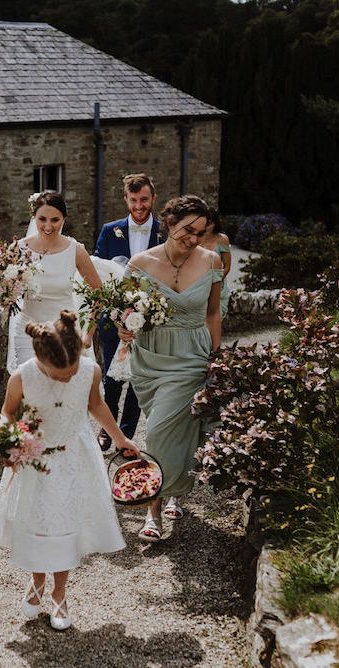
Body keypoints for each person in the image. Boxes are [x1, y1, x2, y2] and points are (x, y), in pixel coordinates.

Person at [0, 311, 139, 630]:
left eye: (71, 373)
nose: (66, 380)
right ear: (41, 360)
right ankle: (36, 582)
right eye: (59, 376)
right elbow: (7, 411)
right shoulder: (23, 375)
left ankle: (59, 593)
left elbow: (96, 406)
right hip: (35, 457)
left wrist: (121, 438)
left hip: (73, 457)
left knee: (65, 525)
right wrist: (5, 437)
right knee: (38, 523)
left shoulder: (89, 371)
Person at [118, 195, 223, 542]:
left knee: (162, 429)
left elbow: (212, 313)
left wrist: (215, 356)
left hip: (191, 354)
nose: (193, 238)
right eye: (187, 230)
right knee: (170, 429)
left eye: (200, 232)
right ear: (169, 222)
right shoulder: (140, 264)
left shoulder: (211, 262)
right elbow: (123, 312)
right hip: (149, 357)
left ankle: (153, 510)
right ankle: (175, 492)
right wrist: (123, 326)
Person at [93, 173, 161, 450]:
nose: (139, 205)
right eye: (133, 200)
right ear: (125, 200)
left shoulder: (164, 232)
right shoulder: (110, 230)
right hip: (113, 319)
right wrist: (116, 313)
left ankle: (127, 434)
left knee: (138, 381)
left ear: (153, 198)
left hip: (151, 318)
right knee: (111, 378)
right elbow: (98, 273)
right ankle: (107, 431)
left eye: (144, 199)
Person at [7, 191, 102, 372]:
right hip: (27, 334)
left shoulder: (76, 251)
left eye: (55, 220)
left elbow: (100, 292)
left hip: (65, 333)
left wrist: (88, 333)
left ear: (64, 219)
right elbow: (4, 287)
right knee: (32, 390)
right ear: (34, 218)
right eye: (42, 219)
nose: (48, 226)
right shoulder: (19, 249)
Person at [199, 209, 232, 319]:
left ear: (215, 223)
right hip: (197, 283)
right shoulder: (195, 237)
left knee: (214, 318)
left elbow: (227, 266)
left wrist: (216, 281)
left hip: (217, 284)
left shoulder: (222, 239)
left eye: (210, 223)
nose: (207, 226)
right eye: (205, 223)